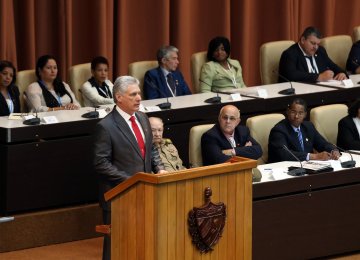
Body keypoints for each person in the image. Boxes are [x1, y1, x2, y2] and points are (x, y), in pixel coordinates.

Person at [93, 76, 166, 260]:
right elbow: (101, 163)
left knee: (143, 241)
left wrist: (160, 168)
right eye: (133, 94)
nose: (139, 98)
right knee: (117, 247)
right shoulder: (106, 126)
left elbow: (151, 150)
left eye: (139, 93)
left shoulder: (142, 117)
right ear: (119, 97)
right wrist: (131, 181)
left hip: (145, 191)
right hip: (119, 195)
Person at [268, 98, 340, 163]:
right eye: (293, 112)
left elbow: (322, 143)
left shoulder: (308, 126)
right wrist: (314, 156)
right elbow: (284, 154)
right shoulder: (279, 130)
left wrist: (333, 150)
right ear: (287, 112)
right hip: (283, 169)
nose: (296, 116)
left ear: (305, 114)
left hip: (308, 166)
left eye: (300, 113)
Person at [278, 26, 348, 83]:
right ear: (302, 40)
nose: (316, 47)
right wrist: (318, 77)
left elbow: (333, 66)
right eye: (313, 43)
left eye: (318, 44)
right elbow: (292, 75)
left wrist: (342, 73)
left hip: (321, 92)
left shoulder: (320, 51)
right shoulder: (290, 54)